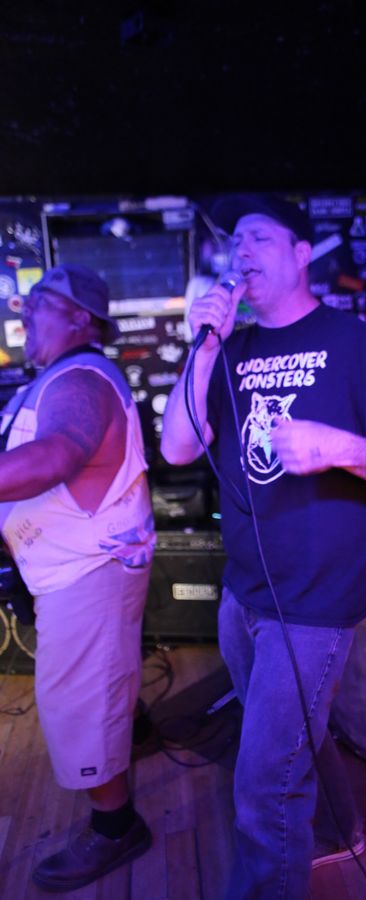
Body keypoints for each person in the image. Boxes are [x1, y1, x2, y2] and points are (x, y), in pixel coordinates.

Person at [161, 194, 366, 899]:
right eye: (235, 243)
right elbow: (178, 446)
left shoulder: (355, 344)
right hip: (245, 592)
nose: (241, 252)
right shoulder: (232, 349)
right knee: (289, 741)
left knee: (263, 785)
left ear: (302, 252)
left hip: (315, 602)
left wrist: (337, 447)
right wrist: (206, 346)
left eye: (258, 237)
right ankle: (341, 834)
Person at [0, 265, 155, 892]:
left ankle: (117, 827)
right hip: (74, 568)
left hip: (88, 573)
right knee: (100, 684)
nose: (26, 315)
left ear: (81, 320)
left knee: (76, 703)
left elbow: (57, 455)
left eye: (41, 304)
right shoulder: (59, 377)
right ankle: (125, 731)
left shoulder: (81, 378)